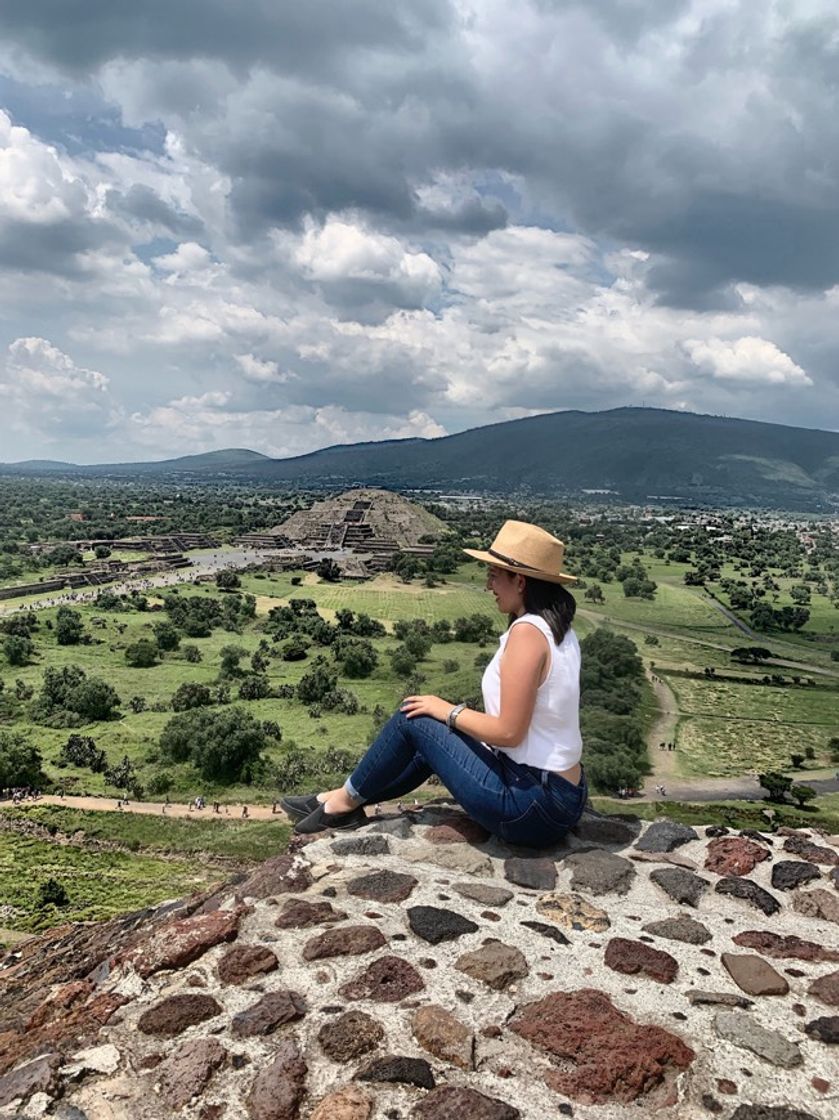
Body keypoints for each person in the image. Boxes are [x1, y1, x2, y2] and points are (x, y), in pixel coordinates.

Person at [282, 520, 586, 847]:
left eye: (494, 575)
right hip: (556, 794)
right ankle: (341, 797)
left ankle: (340, 806)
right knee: (431, 737)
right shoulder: (560, 629)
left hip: (530, 805)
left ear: (521, 581)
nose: (489, 585)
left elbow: (509, 732)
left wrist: (449, 712)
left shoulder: (527, 634)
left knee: (414, 718)